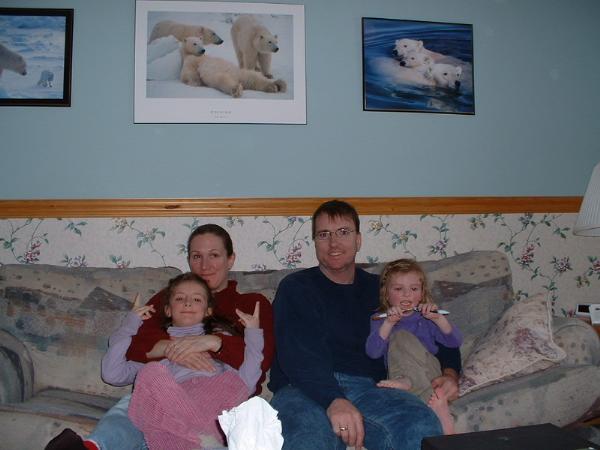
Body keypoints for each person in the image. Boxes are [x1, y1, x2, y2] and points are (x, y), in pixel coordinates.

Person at [46, 224, 274, 450]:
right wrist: (171, 348)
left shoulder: (250, 305)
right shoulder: (169, 297)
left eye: (214, 255)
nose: (204, 266)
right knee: (134, 402)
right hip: (166, 388)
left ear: (230, 259)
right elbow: (135, 347)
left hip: (216, 396)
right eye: (197, 256)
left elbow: (260, 362)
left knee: (144, 397)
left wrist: (215, 342)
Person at [268, 200, 461, 450]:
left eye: (343, 232)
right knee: (309, 441)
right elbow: (298, 357)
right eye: (324, 234)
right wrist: (334, 399)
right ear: (315, 242)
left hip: (370, 389)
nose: (333, 243)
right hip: (301, 389)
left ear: (358, 240)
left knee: (419, 425)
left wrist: (450, 374)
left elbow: (434, 328)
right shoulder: (296, 287)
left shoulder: (385, 289)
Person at [101, 271, 263, 449]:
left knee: (233, 383)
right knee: (148, 375)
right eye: (179, 298)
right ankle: (202, 437)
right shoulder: (157, 355)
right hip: (186, 425)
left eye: (197, 299)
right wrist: (130, 324)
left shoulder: (219, 348)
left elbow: (247, 382)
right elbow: (111, 374)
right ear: (168, 310)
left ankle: (199, 436)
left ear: (208, 311)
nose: (187, 303)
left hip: (215, 406)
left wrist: (253, 332)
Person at [366, 258, 463, 435]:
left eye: (414, 289)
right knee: (399, 337)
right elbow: (373, 352)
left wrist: (439, 319)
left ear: (422, 292)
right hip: (403, 376)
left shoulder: (427, 318)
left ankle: (408, 381)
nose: (406, 294)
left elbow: (454, 342)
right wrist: (388, 324)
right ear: (386, 293)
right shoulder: (380, 319)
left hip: (429, 371)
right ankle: (443, 416)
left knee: (401, 336)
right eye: (398, 289)